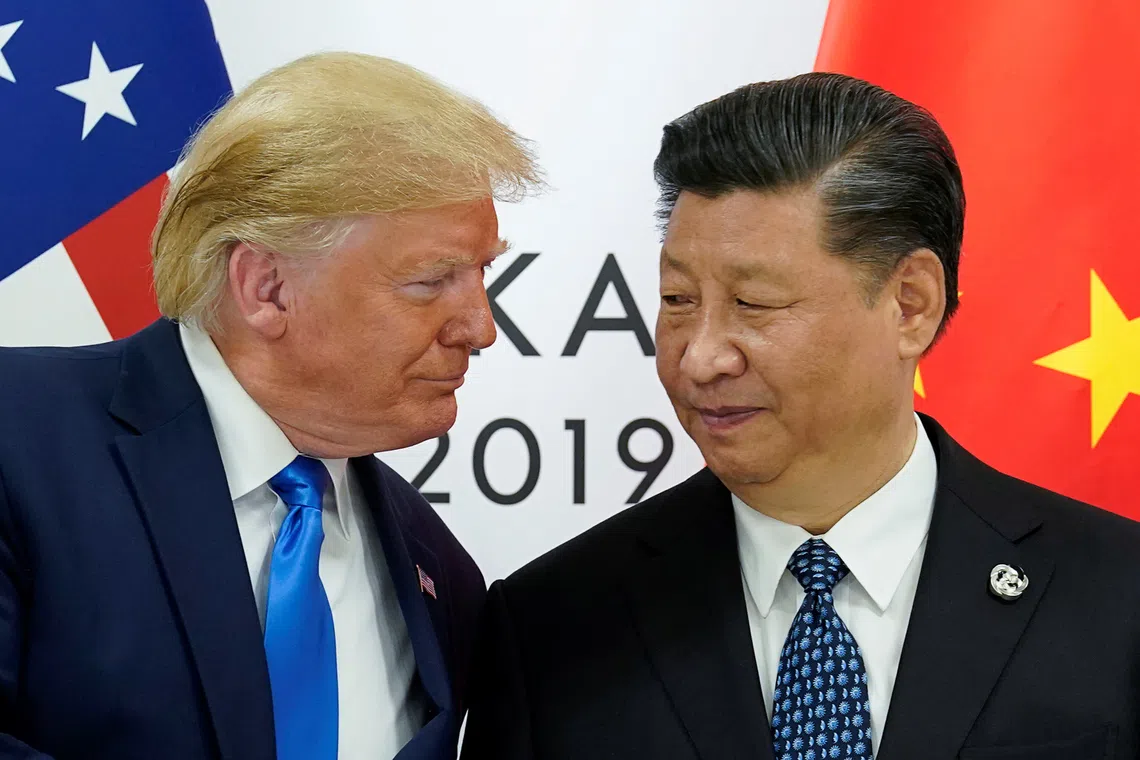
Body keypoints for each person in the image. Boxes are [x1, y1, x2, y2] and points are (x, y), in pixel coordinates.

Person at [460, 72, 1140, 760]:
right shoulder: (555, 625)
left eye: (753, 304)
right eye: (677, 299)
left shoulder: (1118, 596)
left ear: (911, 303)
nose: (699, 359)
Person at [0, 52, 539, 760]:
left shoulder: (440, 568)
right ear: (266, 287)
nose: (481, 327)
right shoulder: (18, 441)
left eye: (481, 275)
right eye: (432, 281)